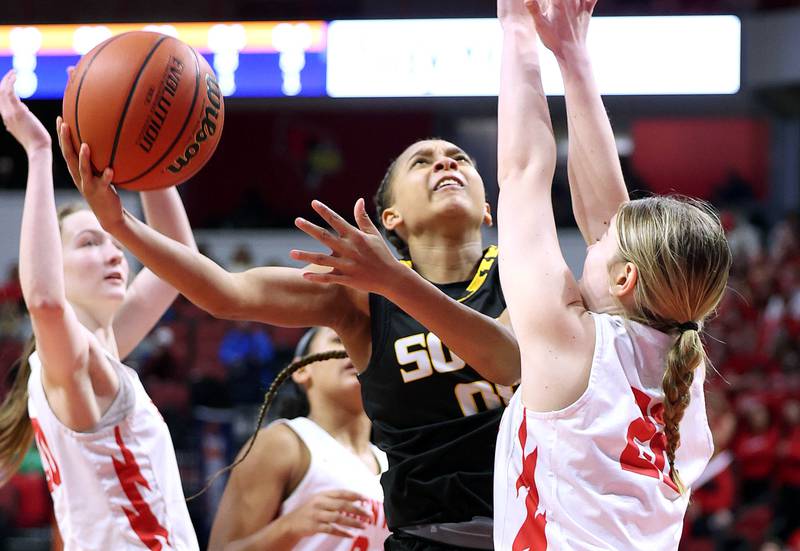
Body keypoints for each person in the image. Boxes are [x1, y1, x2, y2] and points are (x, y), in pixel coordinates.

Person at [59, 110, 519, 549]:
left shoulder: (521, 275)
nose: (445, 162)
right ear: (392, 217)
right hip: (432, 538)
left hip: (536, 531)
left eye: (459, 158)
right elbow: (224, 292)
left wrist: (398, 282)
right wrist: (118, 222)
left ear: (486, 208)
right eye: (422, 161)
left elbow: (508, 359)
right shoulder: (360, 300)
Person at [492, 0, 731, 549]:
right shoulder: (679, 369)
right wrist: (573, 56)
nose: (593, 235)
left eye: (601, 243)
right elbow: (611, 216)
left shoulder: (573, 342)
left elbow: (525, 172)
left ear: (625, 280)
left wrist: (515, 28)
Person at [0, 69, 200, 549]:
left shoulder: (102, 355)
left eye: (116, 244)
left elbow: (180, 260)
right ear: (54, 264)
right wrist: (40, 151)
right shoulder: (72, 359)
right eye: (89, 244)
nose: (116, 254)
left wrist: (140, 153)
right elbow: (46, 302)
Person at [208, 327, 390, 551]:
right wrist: (288, 528)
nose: (353, 349)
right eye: (338, 340)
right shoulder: (283, 442)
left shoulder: (391, 462)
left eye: (366, 345)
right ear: (302, 369)